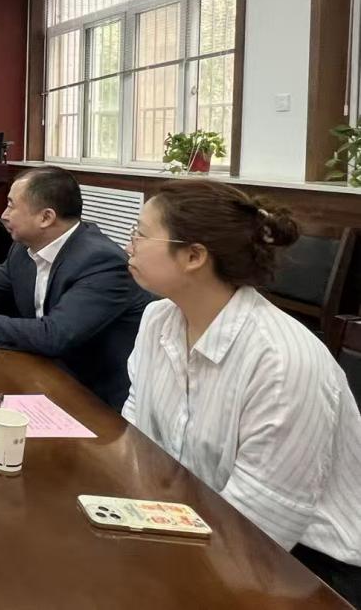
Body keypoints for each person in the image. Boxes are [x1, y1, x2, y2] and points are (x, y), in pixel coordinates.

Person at [122, 179, 361, 605]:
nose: (129, 245)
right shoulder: (158, 319)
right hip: (201, 522)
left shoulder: (281, 362)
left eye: (141, 234)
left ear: (194, 256)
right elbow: (137, 434)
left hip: (308, 566)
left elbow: (263, 529)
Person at [0, 166, 151, 408]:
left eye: (11, 206)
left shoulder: (100, 261)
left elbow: (54, 334)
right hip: (41, 379)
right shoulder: (24, 248)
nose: (4, 214)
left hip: (94, 401)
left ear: (46, 217)